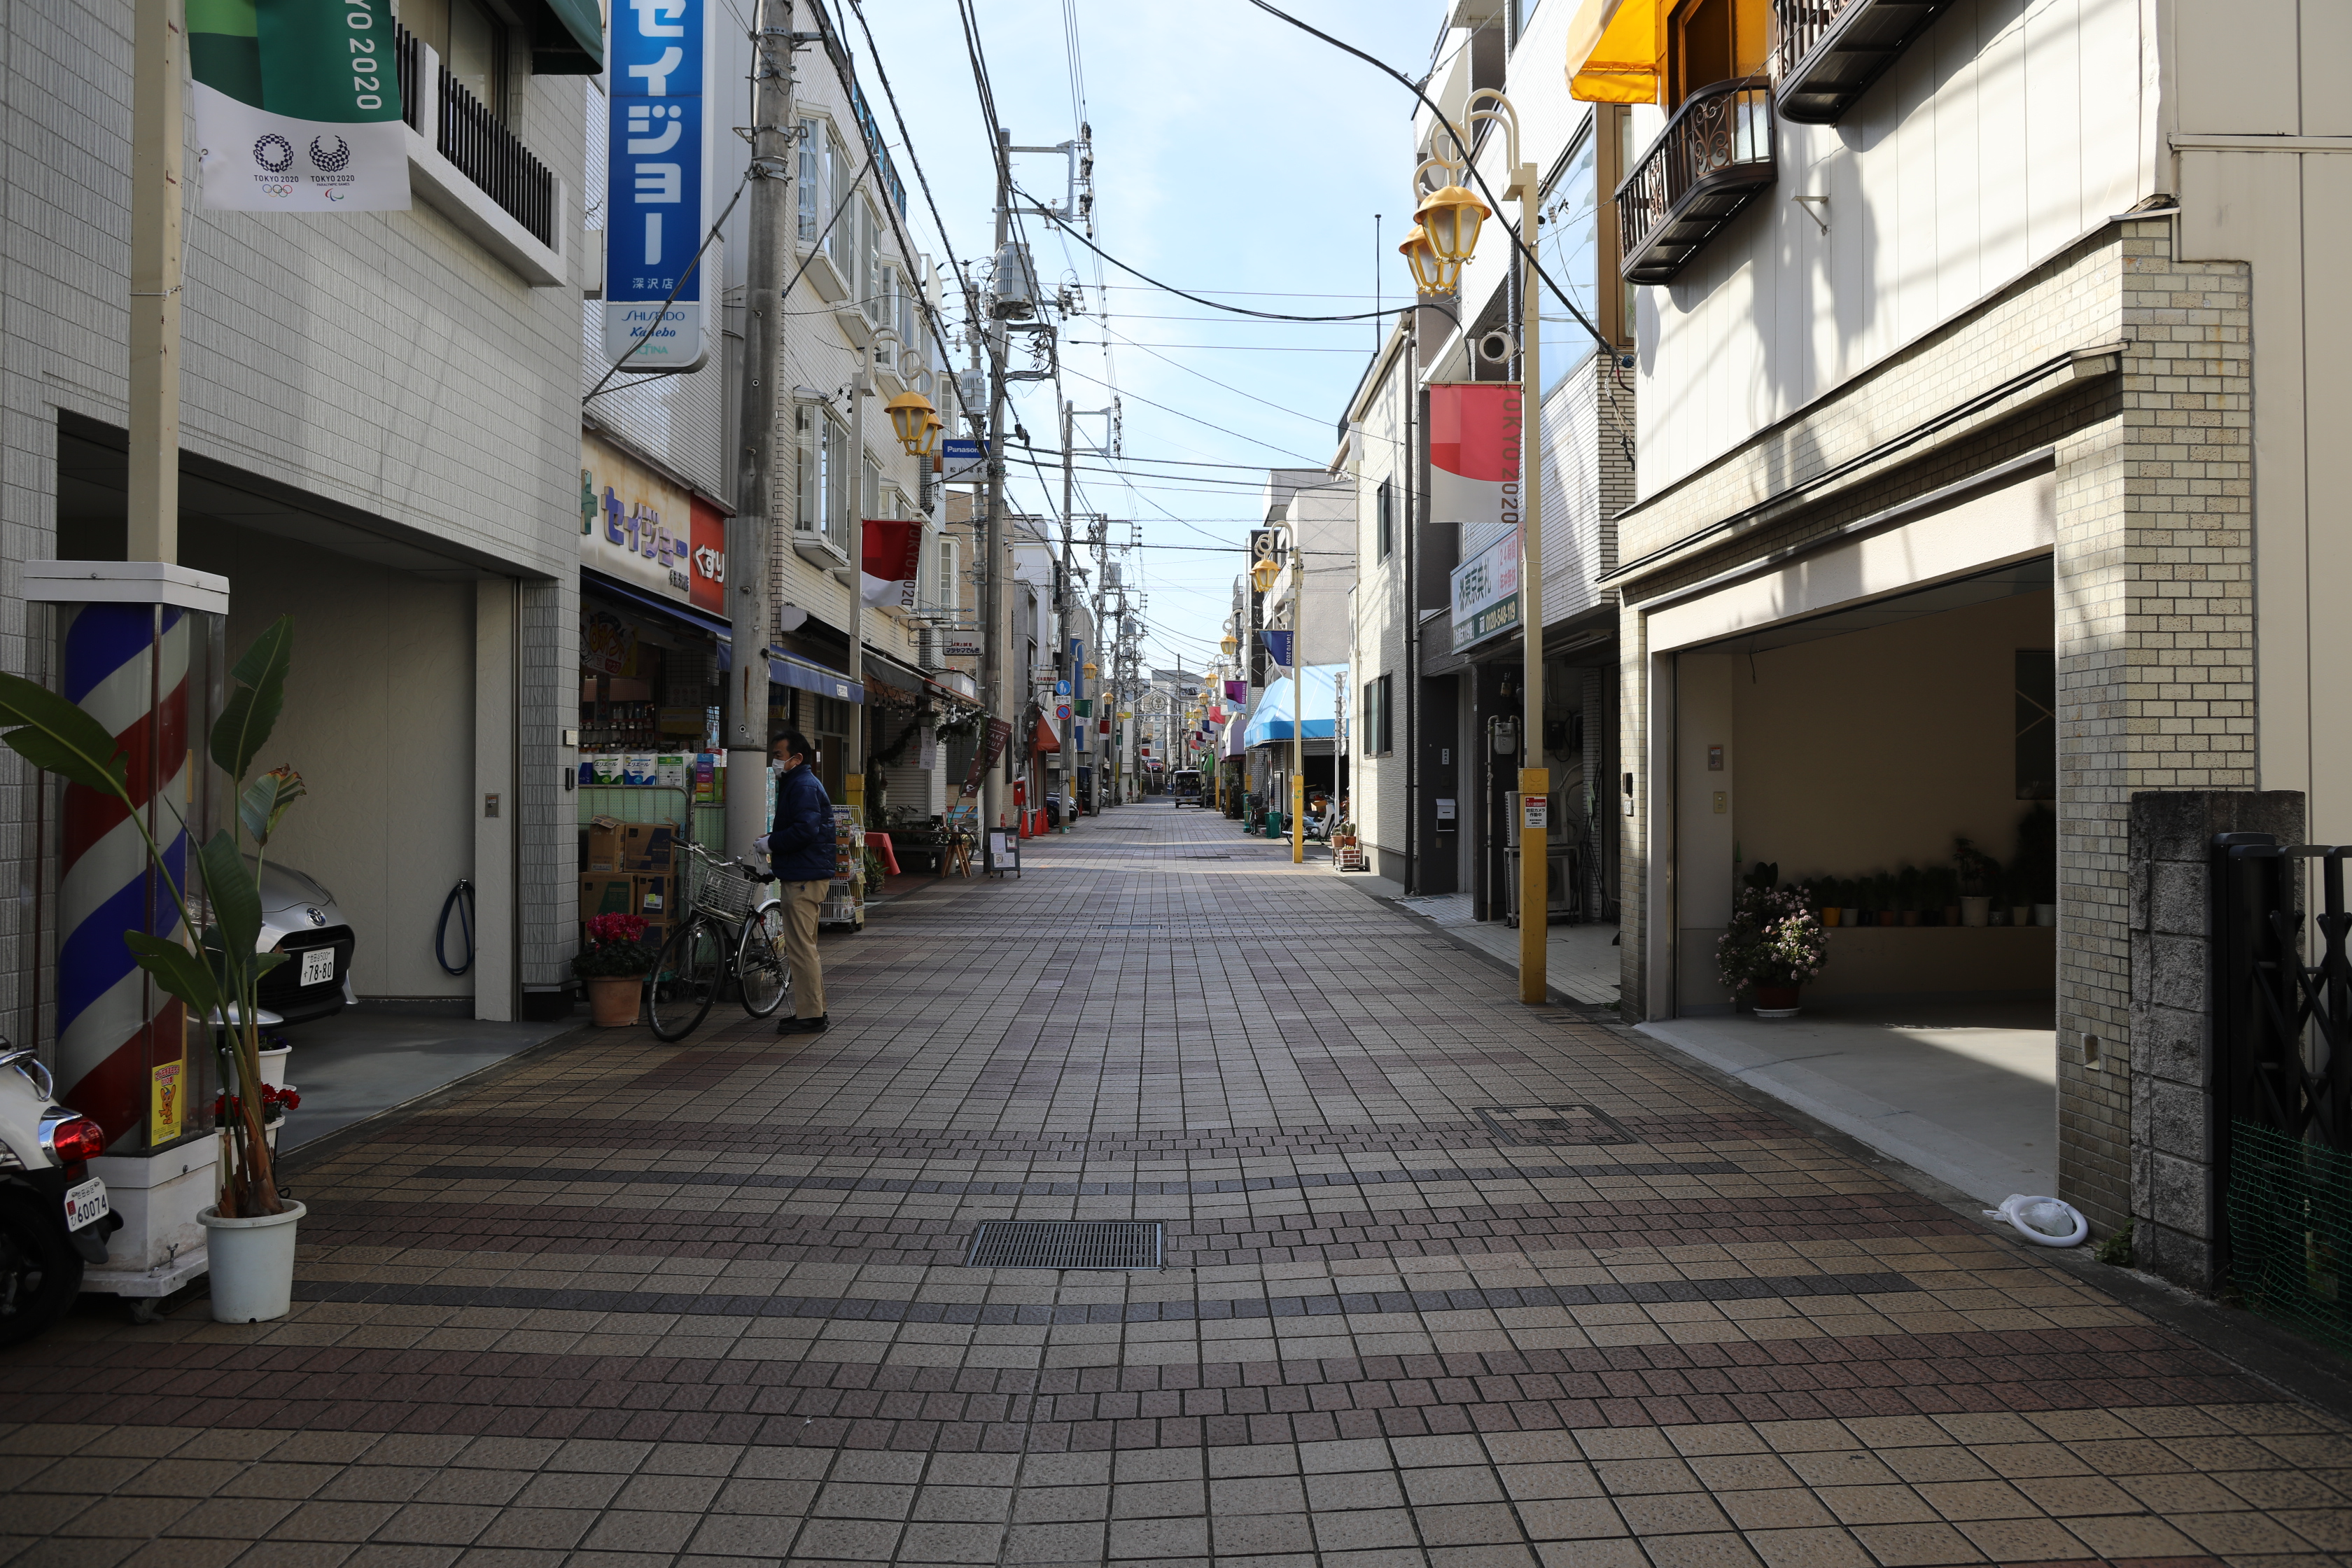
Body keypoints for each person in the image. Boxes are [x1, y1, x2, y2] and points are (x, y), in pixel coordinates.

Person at [767, 728, 834, 1035]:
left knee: (801, 948)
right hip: (807, 873)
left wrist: (771, 842)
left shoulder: (802, 785)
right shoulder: (800, 782)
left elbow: (805, 830)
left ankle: (811, 1016)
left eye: (778, 755)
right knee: (806, 947)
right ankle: (815, 1010)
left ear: (796, 758)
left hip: (803, 876)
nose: (774, 761)